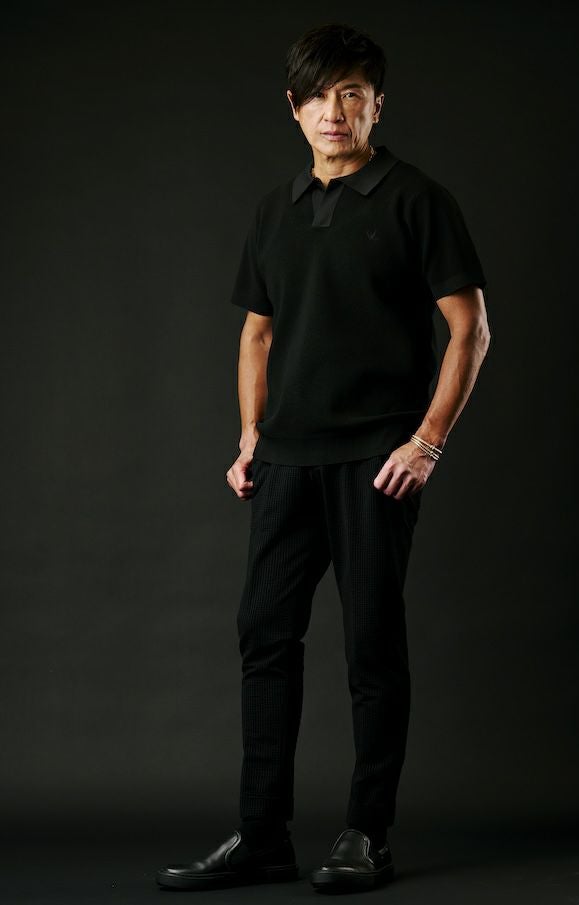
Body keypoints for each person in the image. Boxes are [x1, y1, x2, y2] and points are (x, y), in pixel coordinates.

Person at [156, 20, 490, 895]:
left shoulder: (418, 200)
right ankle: (262, 836)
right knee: (264, 636)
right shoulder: (277, 208)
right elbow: (256, 335)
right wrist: (249, 436)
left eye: (351, 93)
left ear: (377, 104)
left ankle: (366, 834)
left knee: (372, 647)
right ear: (294, 108)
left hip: (376, 461)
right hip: (286, 464)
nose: (333, 110)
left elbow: (471, 330)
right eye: (316, 95)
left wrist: (426, 442)